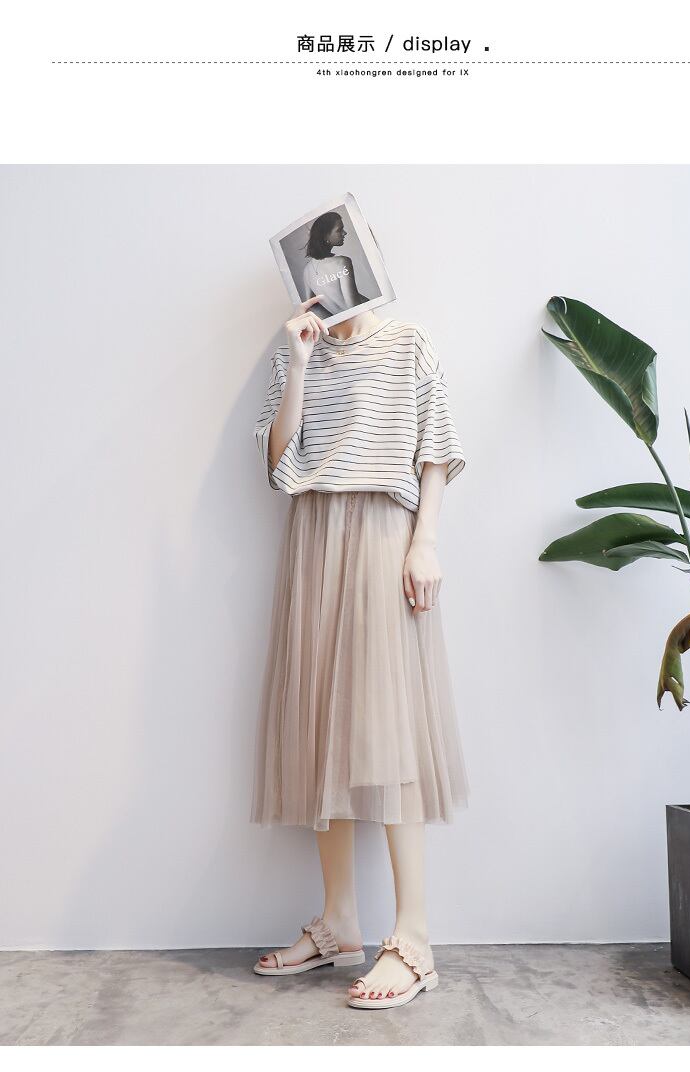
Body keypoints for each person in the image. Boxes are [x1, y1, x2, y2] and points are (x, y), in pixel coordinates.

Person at [250, 295, 468, 1010]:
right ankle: (340, 922)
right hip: (312, 535)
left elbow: (436, 449)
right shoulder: (296, 348)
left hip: (382, 530)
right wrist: (300, 362)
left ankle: (415, 939)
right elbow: (278, 463)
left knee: (388, 725)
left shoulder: (409, 343)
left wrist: (424, 542)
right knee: (323, 725)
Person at [301, 212, 369, 315]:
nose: (344, 233)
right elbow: (354, 307)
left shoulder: (307, 270)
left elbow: (312, 307)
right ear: (325, 236)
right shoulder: (342, 262)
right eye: (339, 230)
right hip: (363, 318)